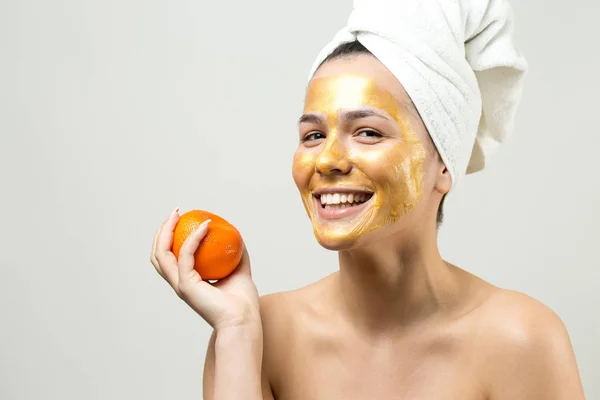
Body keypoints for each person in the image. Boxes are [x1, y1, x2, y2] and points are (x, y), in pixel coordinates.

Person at [150, 1, 586, 399]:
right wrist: (237, 329)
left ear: (444, 164)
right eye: (313, 136)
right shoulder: (262, 335)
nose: (328, 160)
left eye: (368, 132)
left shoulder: (521, 338)